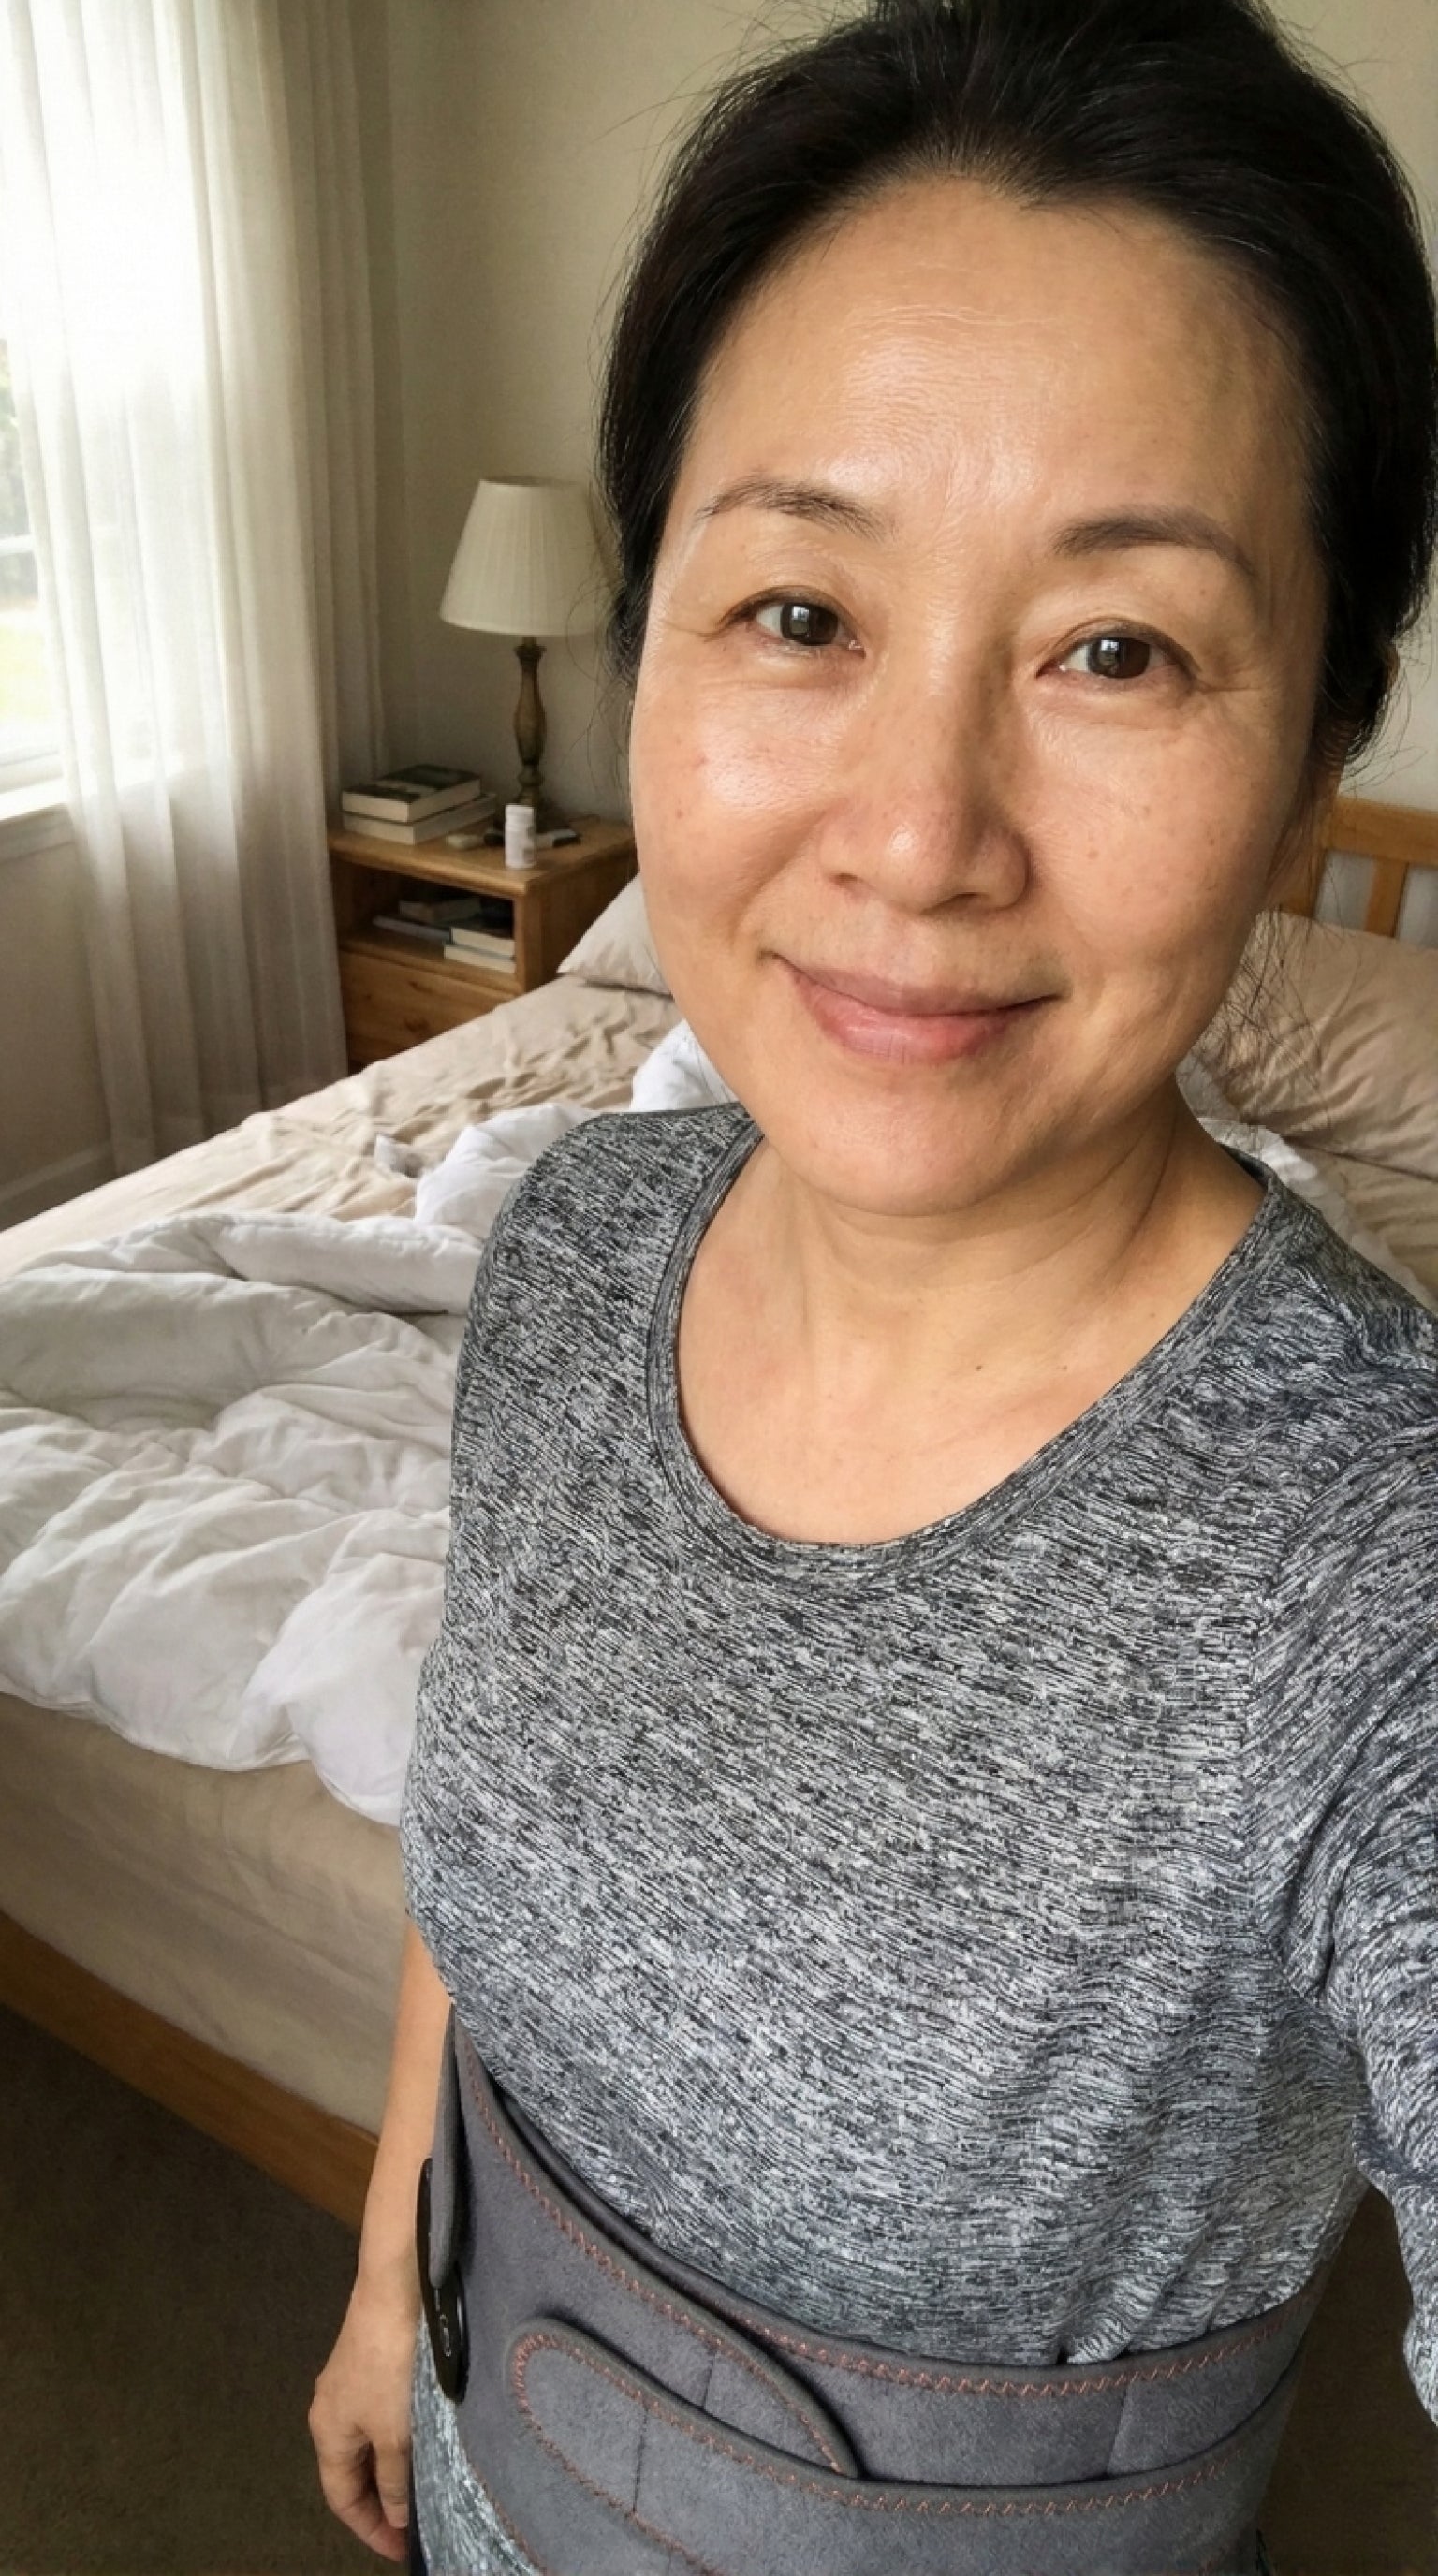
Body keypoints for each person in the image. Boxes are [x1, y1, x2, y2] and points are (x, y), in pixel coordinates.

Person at [309, 0, 1438, 2569]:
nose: (922, 837)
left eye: (1118, 649)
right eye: (802, 608)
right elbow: (476, 1868)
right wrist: (393, 2280)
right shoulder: (574, 1252)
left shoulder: (1374, 1574)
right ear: (650, 651)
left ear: (1312, 754)